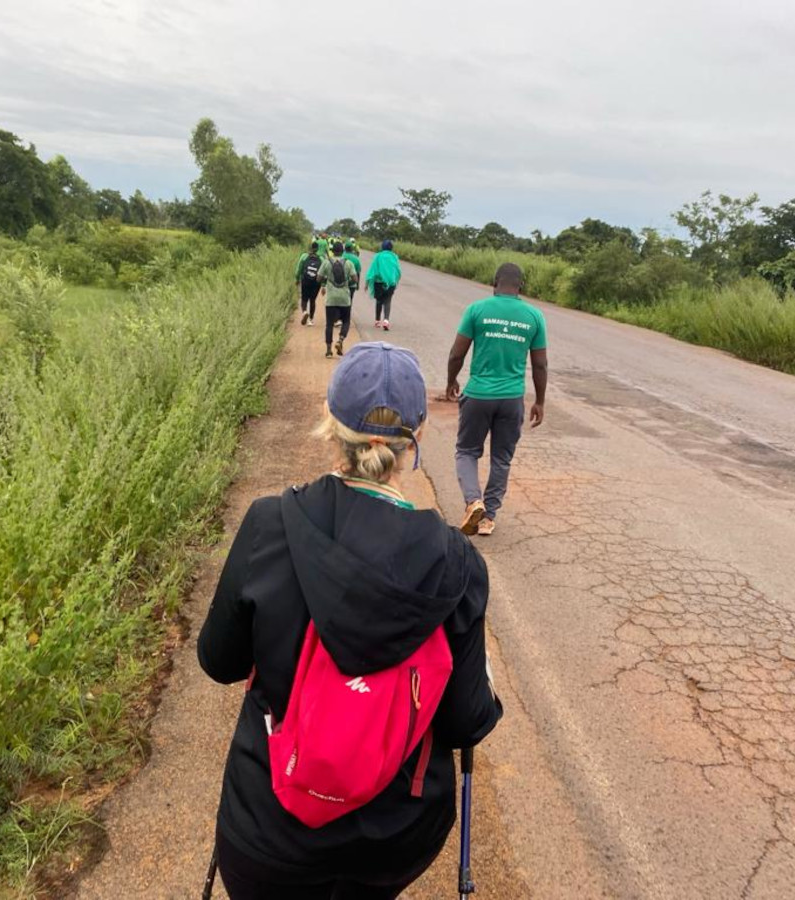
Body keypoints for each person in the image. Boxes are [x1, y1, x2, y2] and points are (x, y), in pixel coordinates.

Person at [198, 342, 502, 900]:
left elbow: (219, 662)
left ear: (329, 422)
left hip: (269, 827)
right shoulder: (457, 565)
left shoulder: (270, 525)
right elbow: (464, 723)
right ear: (418, 437)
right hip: (393, 838)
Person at [445, 262, 548, 537]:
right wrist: (540, 400)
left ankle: (473, 501)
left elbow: (457, 354)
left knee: (467, 451)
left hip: (478, 394)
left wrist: (451, 380)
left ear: (494, 283)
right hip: (512, 398)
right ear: (521, 287)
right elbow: (540, 365)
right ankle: (488, 517)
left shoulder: (476, 310)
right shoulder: (534, 316)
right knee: (501, 458)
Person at [319, 241, 358, 358]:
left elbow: (318, 278)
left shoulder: (326, 262)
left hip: (331, 298)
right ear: (342, 251)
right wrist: (346, 281)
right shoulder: (349, 263)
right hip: (344, 298)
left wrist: (327, 280)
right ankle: (340, 340)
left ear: (332, 251)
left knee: (329, 324)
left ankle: (328, 351)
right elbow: (355, 279)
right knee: (346, 321)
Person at [365, 239, 402, 330]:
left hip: (378, 283)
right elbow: (398, 271)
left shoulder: (378, 256)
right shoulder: (394, 257)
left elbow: (372, 270)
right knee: (388, 301)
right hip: (390, 283)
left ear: (382, 247)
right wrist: (395, 280)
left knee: (379, 301)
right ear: (391, 248)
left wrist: (367, 282)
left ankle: (377, 321)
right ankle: (386, 321)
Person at [295, 241, 324, 325]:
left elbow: (298, 268)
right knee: (313, 300)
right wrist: (323, 284)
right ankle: (310, 320)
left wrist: (297, 279)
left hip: (305, 280)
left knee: (304, 298)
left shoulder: (304, 256)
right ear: (318, 249)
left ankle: (304, 312)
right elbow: (323, 272)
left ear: (310, 248)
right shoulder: (321, 258)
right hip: (316, 282)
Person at [344, 239, 363, 307]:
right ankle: (347, 315)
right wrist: (357, 284)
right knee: (350, 301)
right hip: (352, 284)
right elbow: (358, 273)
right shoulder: (356, 259)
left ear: (345, 248)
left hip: (340, 283)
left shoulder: (341, 256)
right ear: (352, 249)